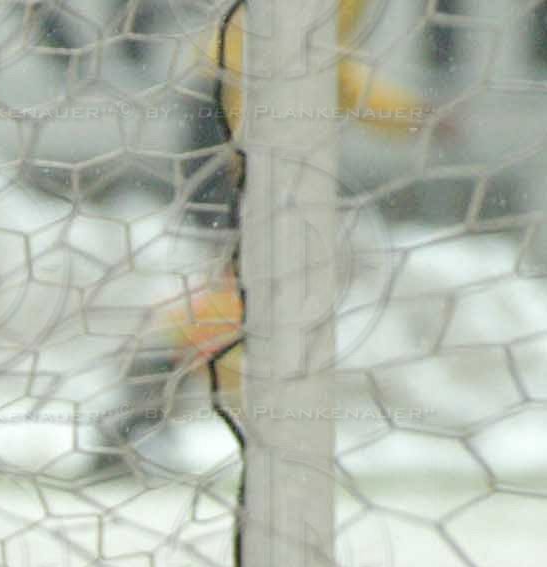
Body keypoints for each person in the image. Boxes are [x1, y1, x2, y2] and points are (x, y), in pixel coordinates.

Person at [87, 0, 450, 474]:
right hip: (232, 125)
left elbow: (315, 62)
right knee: (250, 290)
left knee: (254, 290)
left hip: (233, 120)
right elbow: (308, 61)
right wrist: (406, 115)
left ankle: (148, 413)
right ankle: (141, 413)